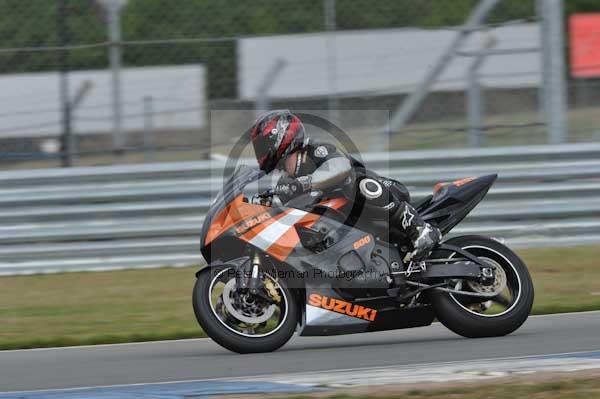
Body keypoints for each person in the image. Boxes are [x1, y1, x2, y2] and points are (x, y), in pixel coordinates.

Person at [249, 110, 441, 263]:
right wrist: (259, 203)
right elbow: (281, 206)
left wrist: (305, 182)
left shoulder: (316, 150)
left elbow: (340, 168)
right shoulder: (285, 182)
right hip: (352, 228)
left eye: (262, 144)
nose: (260, 151)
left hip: (383, 195)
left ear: (279, 135)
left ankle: (420, 229)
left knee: (359, 182)